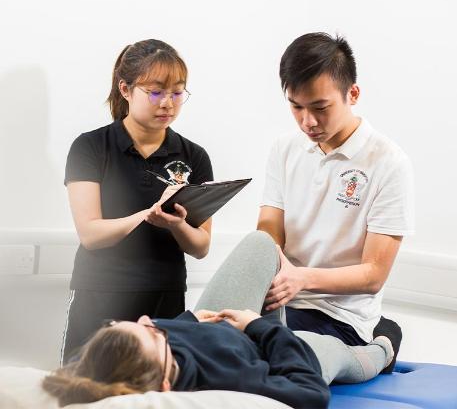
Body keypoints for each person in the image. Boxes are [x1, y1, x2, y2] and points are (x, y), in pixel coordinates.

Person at [43, 231, 394, 409]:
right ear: (166, 386)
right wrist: (258, 327)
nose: (151, 320)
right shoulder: (231, 380)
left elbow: (79, 367)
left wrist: (190, 319)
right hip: (276, 351)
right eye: (152, 333)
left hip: (223, 321)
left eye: (137, 324)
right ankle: (385, 347)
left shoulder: (119, 361)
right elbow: (310, 395)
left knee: (262, 243)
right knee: (350, 356)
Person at [257, 32, 414, 372]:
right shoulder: (284, 149)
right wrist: (274, 266)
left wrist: (301, 278)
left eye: (320, 108)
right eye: (296, 107)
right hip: (282, 301)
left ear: (352, 94)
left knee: (269, 362)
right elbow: (268, 231)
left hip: (340, 317)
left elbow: (374, 275)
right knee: (207, 337)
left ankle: (379, 347)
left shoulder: (388, 162)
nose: (307, 122)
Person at [61, 39, 214, 365]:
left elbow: (201, 246)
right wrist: (148, 214)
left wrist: (175, 224)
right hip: (100, 294)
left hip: (165, 297)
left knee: (154, 392)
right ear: (126, 89)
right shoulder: (91, 148)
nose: (168, 104)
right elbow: (90, 233)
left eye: (177, 92)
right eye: (155, 92)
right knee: (84, 389)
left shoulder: (194, 157)